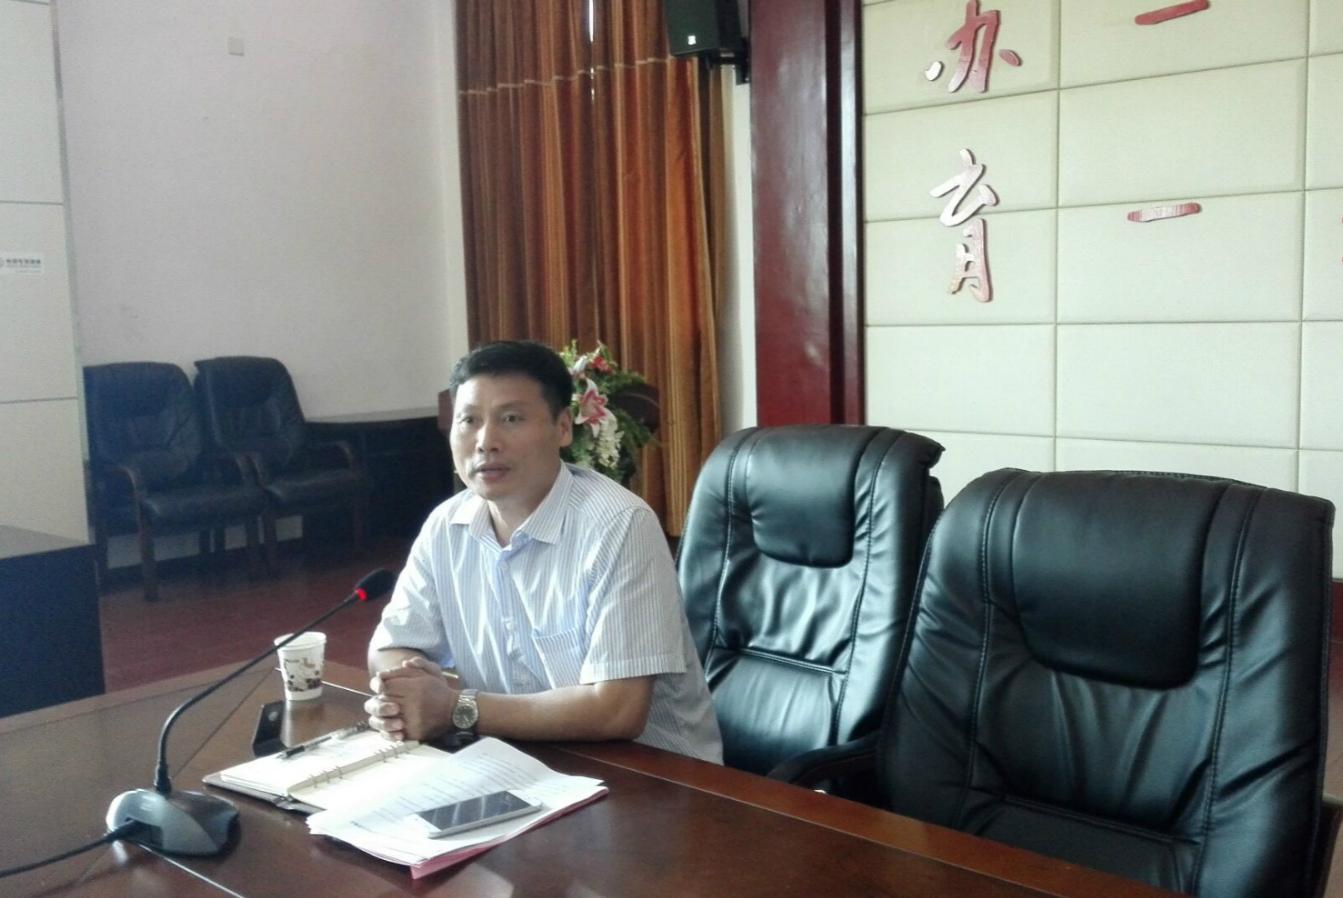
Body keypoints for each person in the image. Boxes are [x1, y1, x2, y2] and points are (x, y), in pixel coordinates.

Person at [365, 340, 722, 763]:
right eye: (469, 421)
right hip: (516, 761)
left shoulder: (618, 525)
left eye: (511, 418)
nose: (485, 442)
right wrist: (407, 690)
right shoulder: (447, 525)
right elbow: (389, 647)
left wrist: (455, 708)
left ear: (563, 427)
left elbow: (619, 710)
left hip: (654, 774)